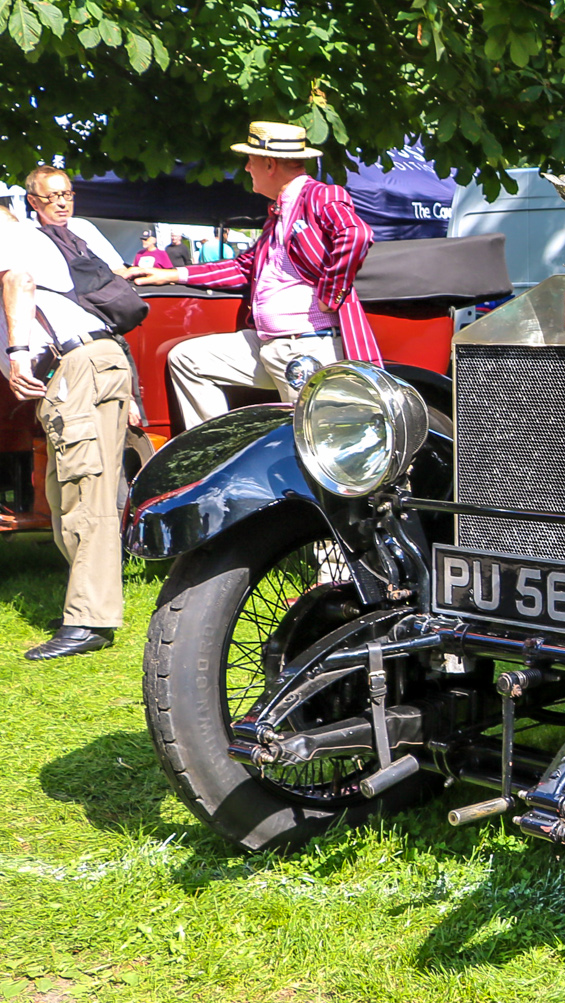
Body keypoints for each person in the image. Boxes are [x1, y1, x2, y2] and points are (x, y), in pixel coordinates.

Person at [129, 121, 381, 429]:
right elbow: (242, 267)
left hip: (306, 347)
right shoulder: (278, 214)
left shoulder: (320, 195)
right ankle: (219, 456)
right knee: (186, 359)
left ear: (270, 164)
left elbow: (355, 234)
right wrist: (170, 274)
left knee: (310, 445)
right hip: (269, 346)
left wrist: (331, 294)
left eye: (251, 160)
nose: (247, 167)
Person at [0, 204, 132, 660]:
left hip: (76, 368)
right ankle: (86, 607)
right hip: (82, 367)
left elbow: (19, 281)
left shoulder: (8, 235)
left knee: (83, 493)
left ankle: (89, 620)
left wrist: (17, 355)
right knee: (66, 495)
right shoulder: (25, 234)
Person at [22, 166, 130, 278]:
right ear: (33, 202)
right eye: (53, 196)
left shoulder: (83, 227)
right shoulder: (25, 234)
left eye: (67, 194)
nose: (63, 203)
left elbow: (116, 268)